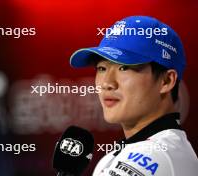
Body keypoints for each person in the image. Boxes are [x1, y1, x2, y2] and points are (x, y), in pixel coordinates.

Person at [69, 16, 198, 176]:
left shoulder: (154, 156)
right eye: (102, 68)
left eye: (124, 67)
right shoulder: (113, 158)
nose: (107, 83)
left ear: (166, 80)